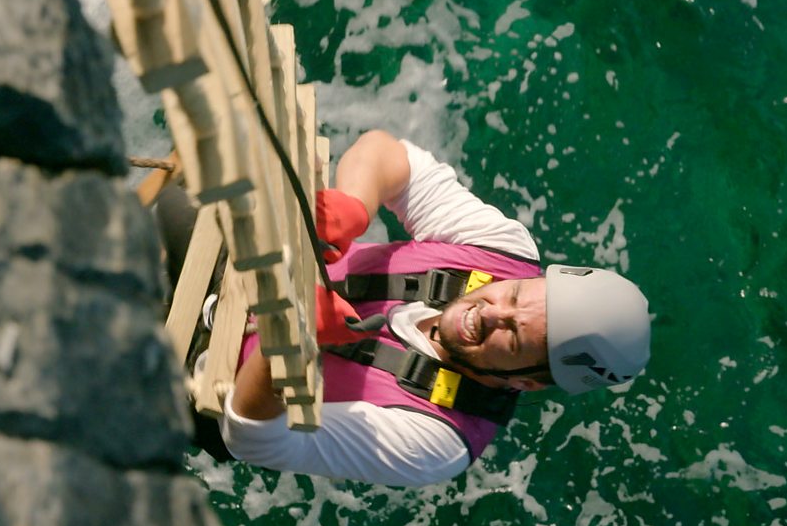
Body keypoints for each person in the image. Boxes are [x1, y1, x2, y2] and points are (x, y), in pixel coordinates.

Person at [194, 130, 650, 487]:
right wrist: (354, 205)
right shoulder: (503, 251)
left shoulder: (438, 443)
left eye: (513, 336)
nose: (490, 312)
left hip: (209, 378)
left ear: (525, 382)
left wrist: (289, 344)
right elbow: (388, 154)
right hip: (237, 266)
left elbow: (251, 439)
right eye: (513, 295)